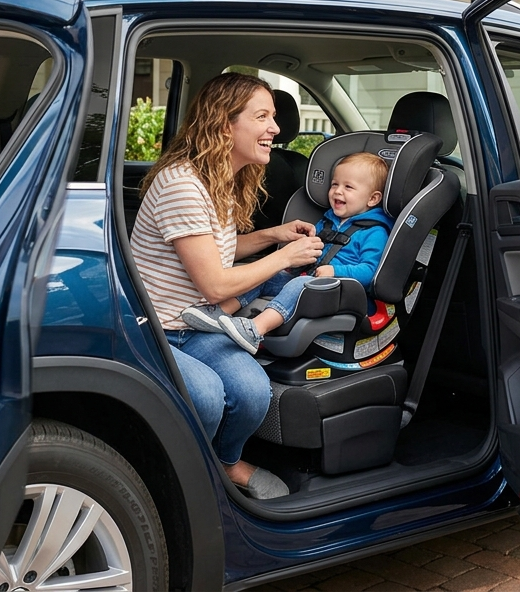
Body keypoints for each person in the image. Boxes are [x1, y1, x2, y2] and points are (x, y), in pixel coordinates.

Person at [130, 72, 324, 499]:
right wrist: (284, 257)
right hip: (156, 327)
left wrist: (273, 235)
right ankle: (181, 480)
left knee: (252, 393)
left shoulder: (218, 177)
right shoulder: (182, 185)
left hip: (199, 322)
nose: (275, 128)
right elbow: (215, 283)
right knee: (207, 396)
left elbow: (214, 249)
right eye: (262, 117)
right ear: (224, 125)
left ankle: (226, 463)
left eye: (273, 117)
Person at [181, 151, 391, 354]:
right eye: (335, 184)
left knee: (300, 284)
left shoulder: (374, 232)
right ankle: (219, 314)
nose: (337, 191)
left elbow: (370, 271)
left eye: (348, 187)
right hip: (311, 278)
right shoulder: (329, 220)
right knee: (266, 273)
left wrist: (334, 271)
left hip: (341, 292)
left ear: (372, 199)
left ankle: (255, 329)